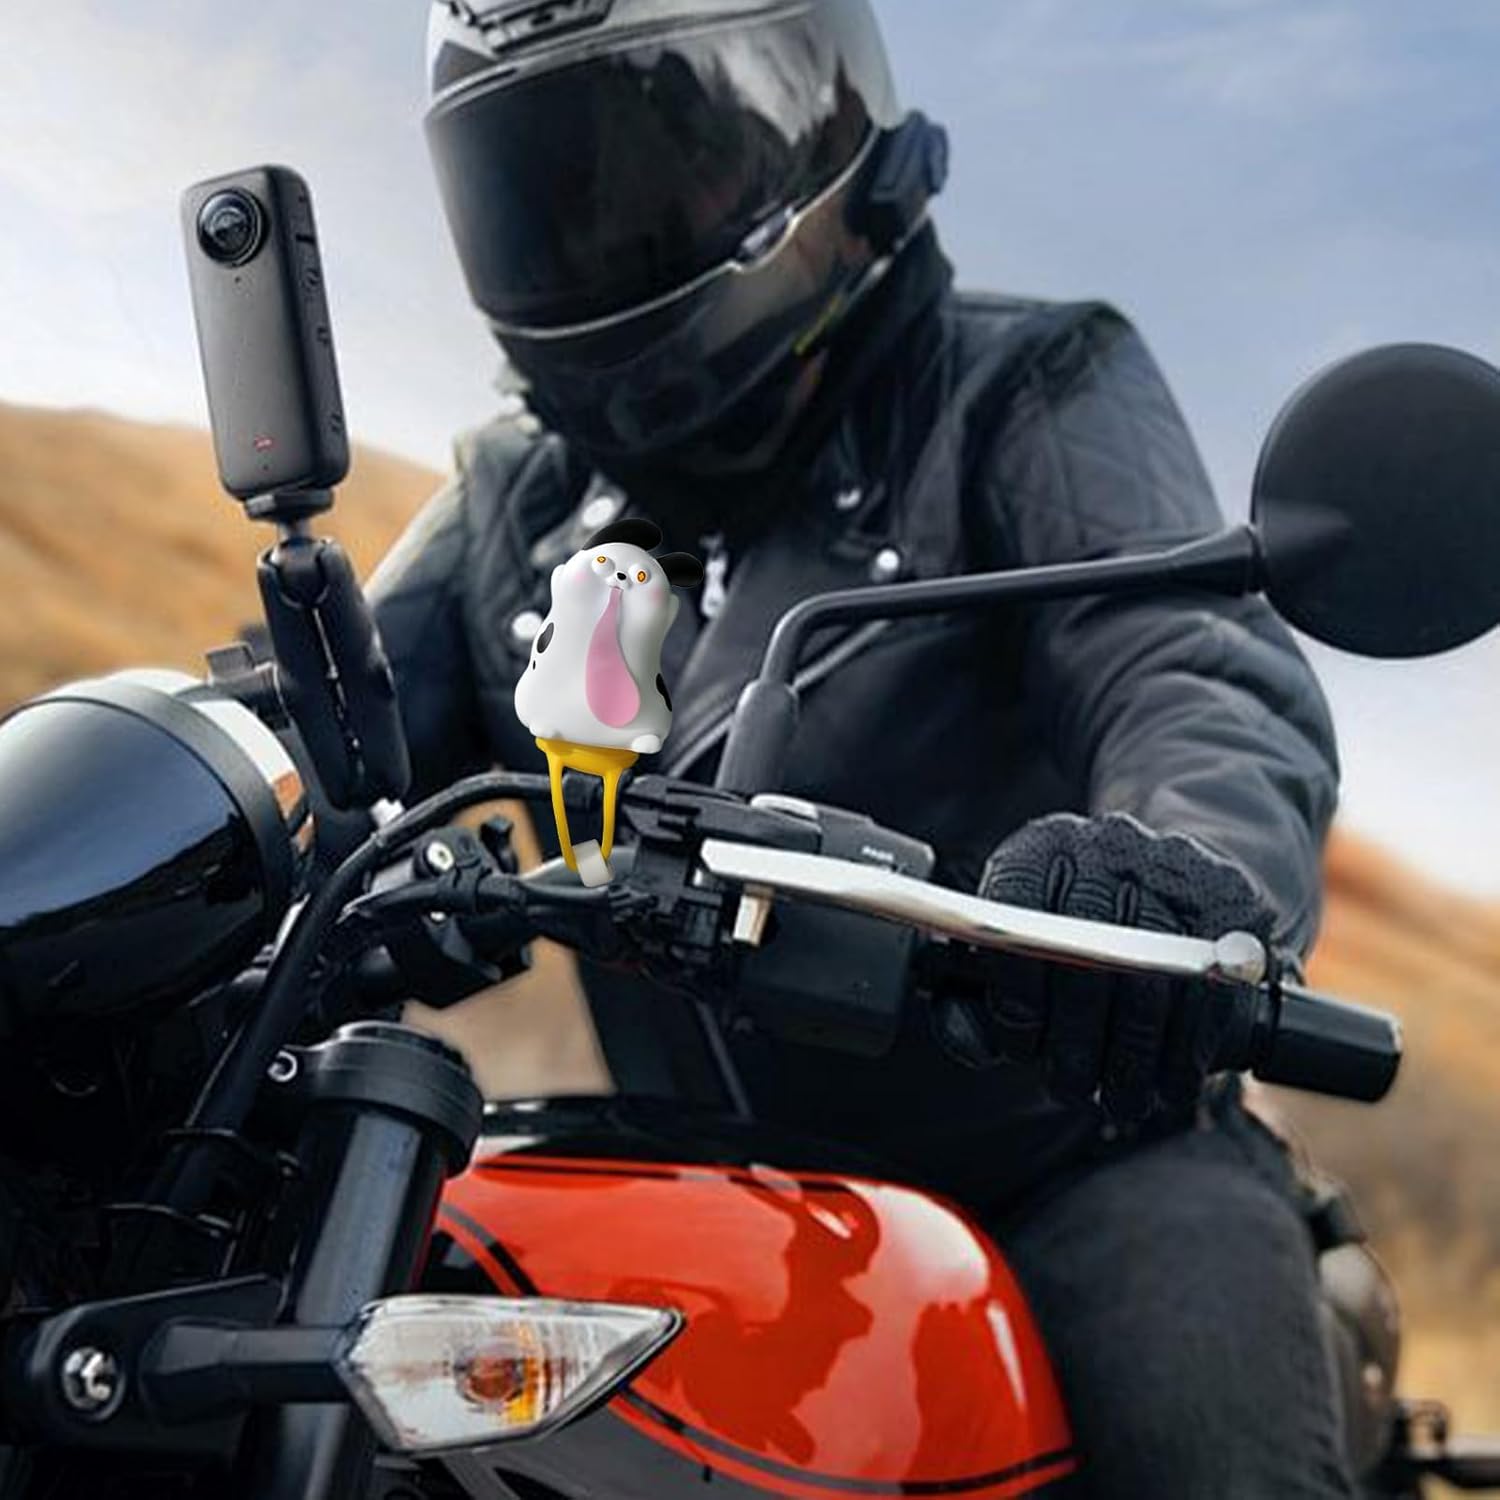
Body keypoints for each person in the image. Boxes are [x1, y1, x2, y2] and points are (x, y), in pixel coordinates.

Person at [372, 1, 1350, 1493]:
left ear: (824, 132)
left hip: (1071, 1157)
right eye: (548, 191)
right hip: (699, 1188)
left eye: (665, 168)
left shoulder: (1022, 388)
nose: (602, 229)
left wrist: (1171, 881)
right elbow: (329, 727)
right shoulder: (520, 503)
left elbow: (1190, 669)